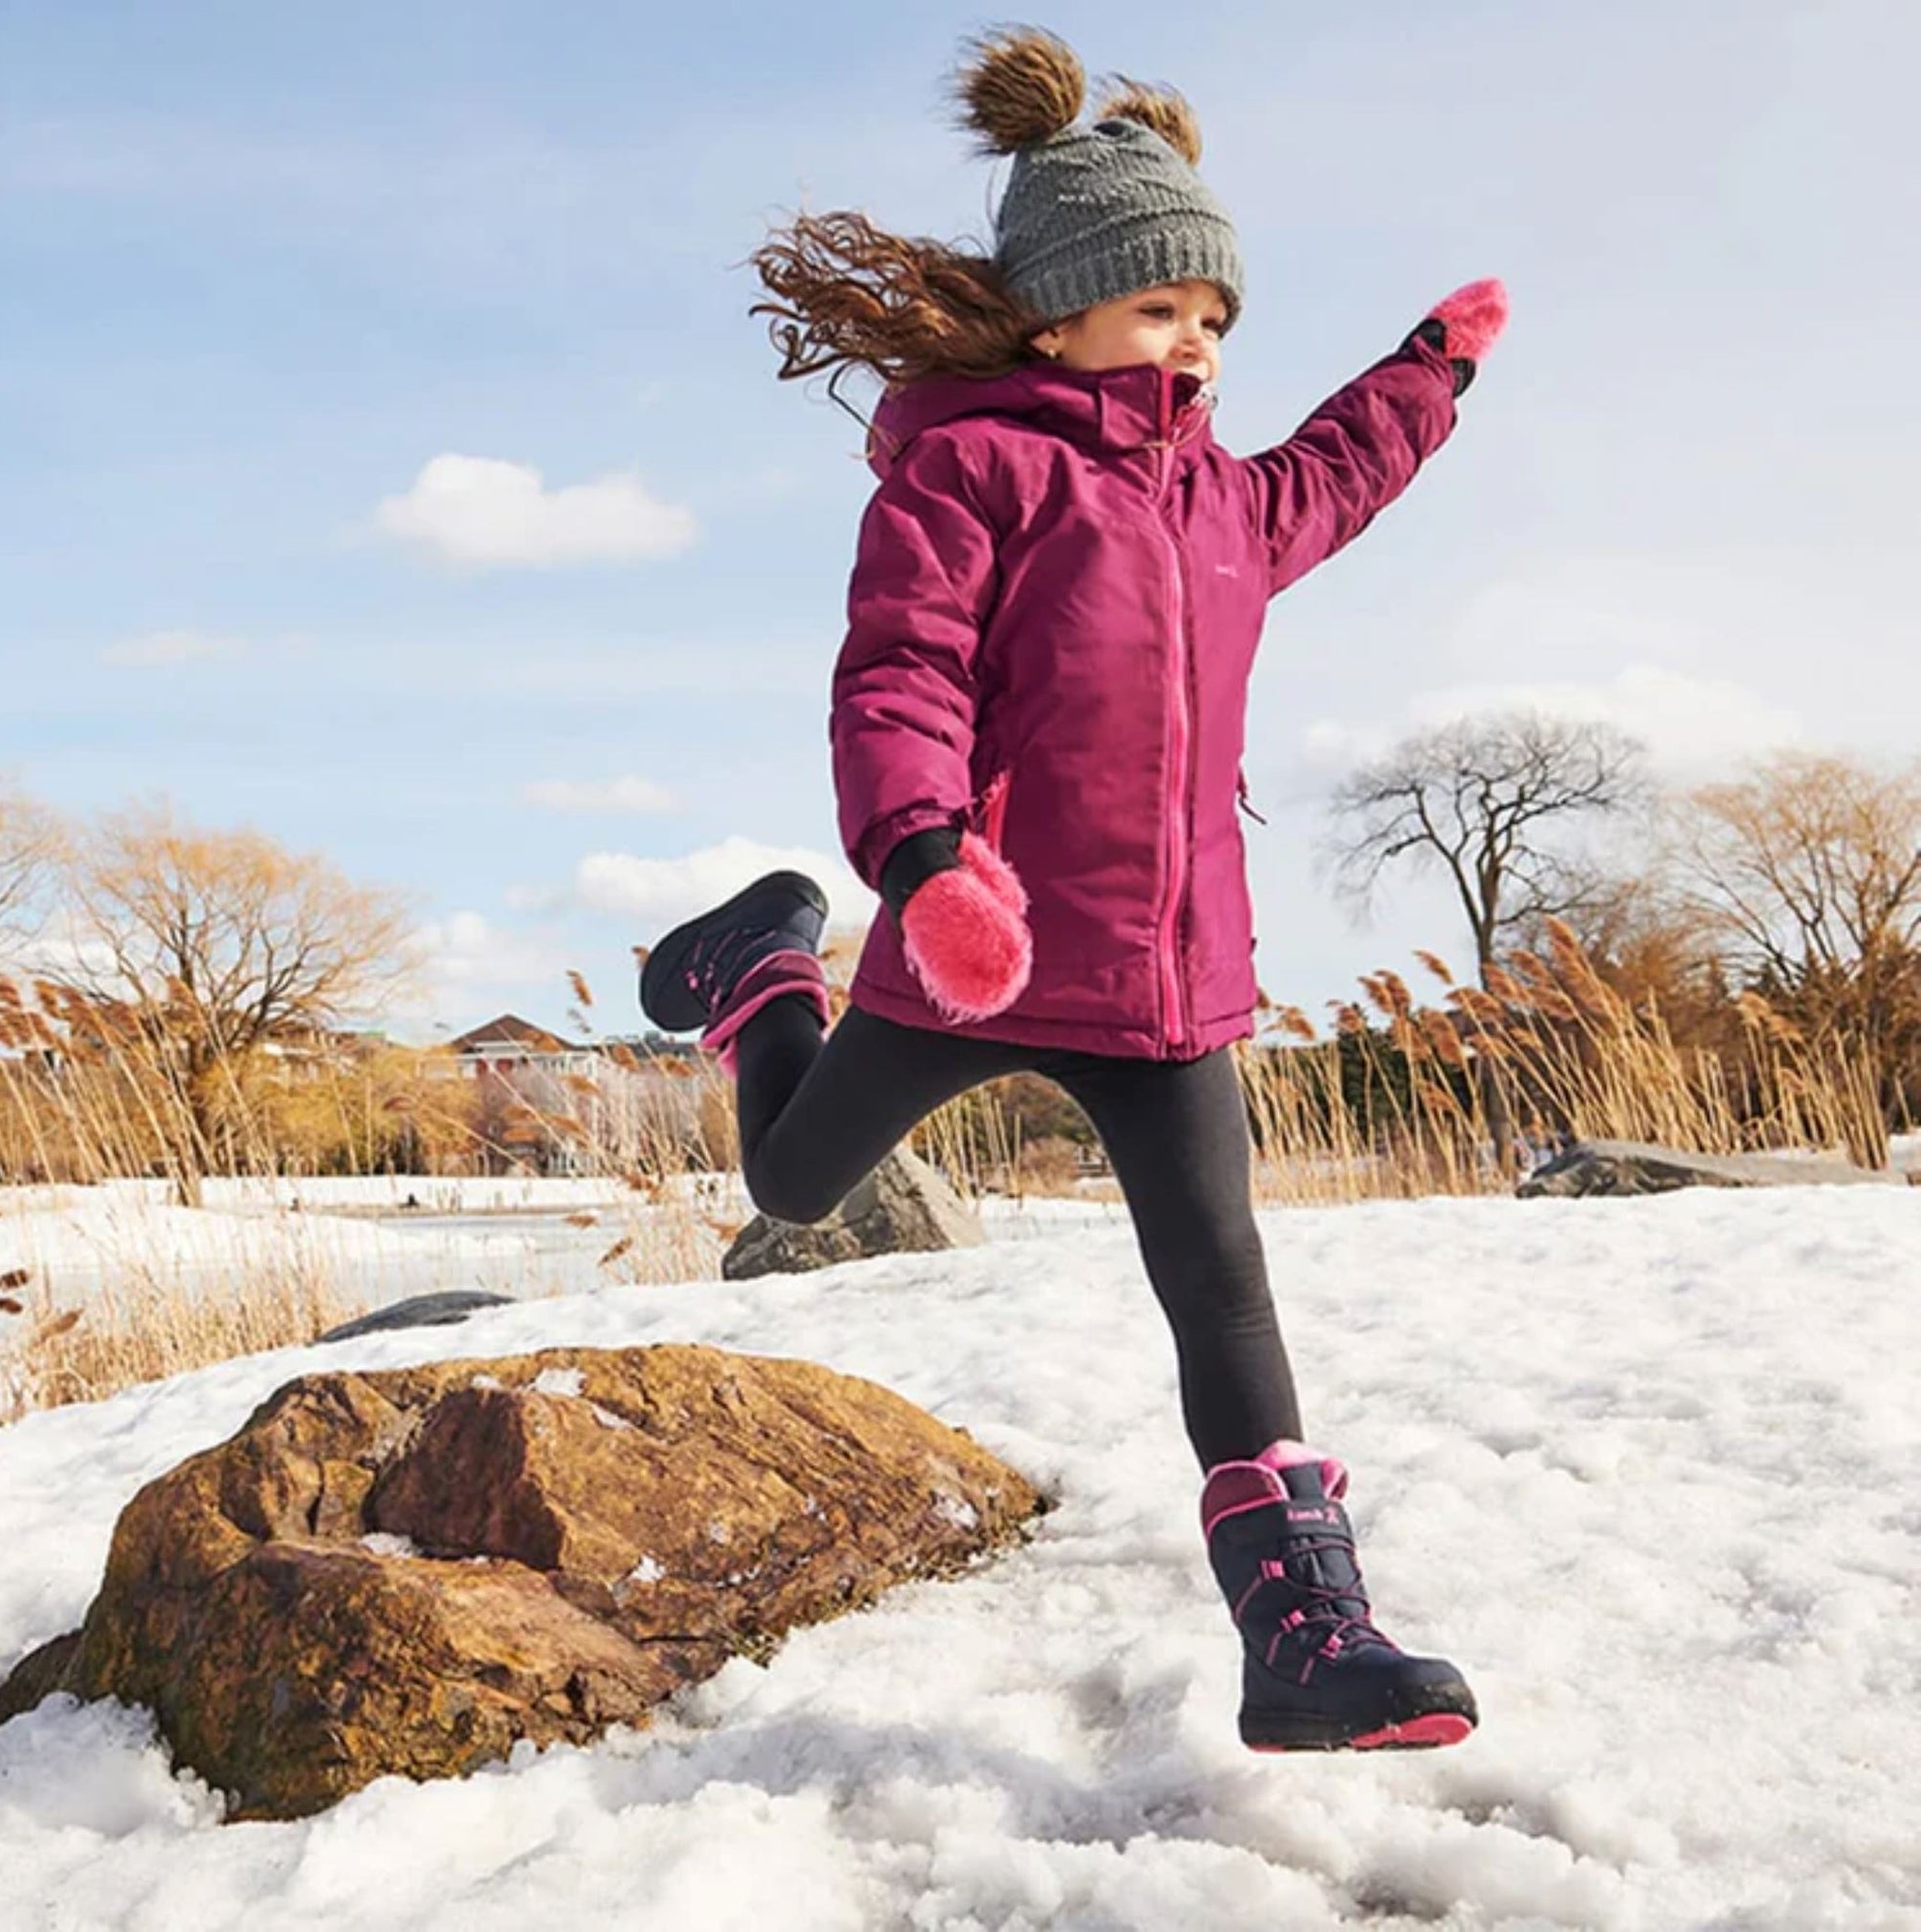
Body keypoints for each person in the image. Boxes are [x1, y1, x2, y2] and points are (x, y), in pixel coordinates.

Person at [637, 26, 1507, 1754]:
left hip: (1164, 979)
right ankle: (768, 976)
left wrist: (1429, 370)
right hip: (978, 941)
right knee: (801, 1188)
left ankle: (1305, 1642)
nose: (1193, 339)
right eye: (1160, 304)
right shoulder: (975, 468)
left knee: (1224, 1288)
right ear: (1061, 309)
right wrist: (923, 856)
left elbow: (1340, 470)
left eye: (1214, 314)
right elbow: (897, 678)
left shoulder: (1224, 504)